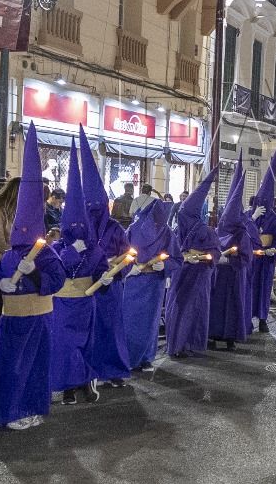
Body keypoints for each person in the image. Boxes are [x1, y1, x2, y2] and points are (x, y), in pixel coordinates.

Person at [0, 125, 66, 430]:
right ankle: (5, 410)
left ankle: (26, 407)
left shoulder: (46, 254)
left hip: (37, 320)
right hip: (11, 320)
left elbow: (57, 280)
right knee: (7, 366)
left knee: (33, 366)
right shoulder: (9, 255)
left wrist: (38, 273)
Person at [47, 134, 99, 405]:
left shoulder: (94, 249)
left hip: (86, 302)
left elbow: (104, 271)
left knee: (86, 343)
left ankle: (86, 383)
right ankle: (68, 385)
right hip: (65, 303)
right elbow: (53, 271)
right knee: (66, 346)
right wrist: (69, 252)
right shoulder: (58, 247)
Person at [80, 131, 134, 388]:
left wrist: (116, 267)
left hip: (110, 287)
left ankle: (113, 370)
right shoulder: (79, 227)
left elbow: (128, 255)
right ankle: (87, 373)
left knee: (111, 329)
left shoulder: (114, 228)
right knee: (88, 330)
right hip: (86, 286)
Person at [165, 171, 217, 357]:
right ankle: (175, 344)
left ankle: (189, 344)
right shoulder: (178, 229)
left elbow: (214, 252)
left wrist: (201, 257)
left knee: (192, 310)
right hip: (180, 274)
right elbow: (171, 250)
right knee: (176, 308)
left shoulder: (205, 230)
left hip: (197, 276)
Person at [209, 161, 256, 350]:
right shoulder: (218, 230)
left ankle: (230, 338)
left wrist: (230, 259)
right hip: (218, 277)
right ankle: (212, 335)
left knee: (232, 307)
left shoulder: (242, 234)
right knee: (216, 306)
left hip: (234, 276)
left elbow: (246, 256)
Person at [122, 199, 171, 371]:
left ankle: (146, 357)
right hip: (135, 281)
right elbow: (122, 252)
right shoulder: (134, 229)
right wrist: (129, 268)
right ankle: (129, 357)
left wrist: (166, 266)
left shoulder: (166, 232)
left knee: (151, 322)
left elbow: (174, 256)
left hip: (154, 283)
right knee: (131, 320)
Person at [248, 151, 276, 334]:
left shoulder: (275, 219)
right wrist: (252, 219)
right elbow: (242, 234)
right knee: (249, 289)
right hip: (251, 259)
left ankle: (263, 319)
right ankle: (247, 319)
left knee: (264, 289)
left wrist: (274, 250)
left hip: (266, 260)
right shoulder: (250, 215)